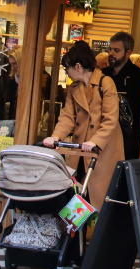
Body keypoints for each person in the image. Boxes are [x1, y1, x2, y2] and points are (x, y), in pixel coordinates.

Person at [42, 41, 123, 209]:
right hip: (80, 151)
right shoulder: (74, 88)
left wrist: (96, 142)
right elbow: (67, 117)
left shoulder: (105, 82)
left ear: (78, 67)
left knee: (100, 197)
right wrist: (56, 136)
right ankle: (76, 233)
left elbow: (110, 119)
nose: (67, 72)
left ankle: (96, 234)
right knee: (77, 193)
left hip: (102, 151)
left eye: (67, 68)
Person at [107, 31, 140, 161]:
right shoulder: (102, 74)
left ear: (128, 52)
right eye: (110, 49)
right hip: (105, 135)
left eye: (116, 50)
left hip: (129, 139)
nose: (111, 53)